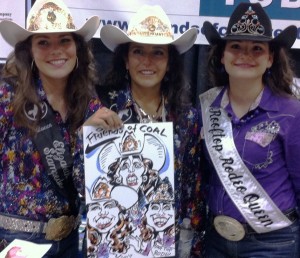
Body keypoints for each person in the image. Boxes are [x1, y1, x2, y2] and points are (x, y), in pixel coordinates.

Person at [0, 0, 122, 257]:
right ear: (29, 51)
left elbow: (85, 184)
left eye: (64, 40)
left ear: (77, 48)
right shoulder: (8, 96)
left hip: (69, 243)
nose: (56, 50)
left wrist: (87, 140)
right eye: (43, 42)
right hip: (16, 241)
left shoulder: (89, 104)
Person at [97, 4, 205, 257]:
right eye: (138, 51)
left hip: (168, 240)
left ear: (169, 63)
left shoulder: (187, 117)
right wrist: (87, 133)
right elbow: (84, 179)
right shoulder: (102, 107)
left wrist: (193, 243)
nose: (147, 61)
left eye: (158, 53)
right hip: (113, 237)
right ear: (125, 59)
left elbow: (192, 187)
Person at [199, 2, 300, 257]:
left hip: (273, 244)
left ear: (270, 58)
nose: (245, 54)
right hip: (216, 240)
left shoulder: (292, 113)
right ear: (222, 56)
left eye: (257, 48)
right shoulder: (207, 106)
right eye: (236, 46)